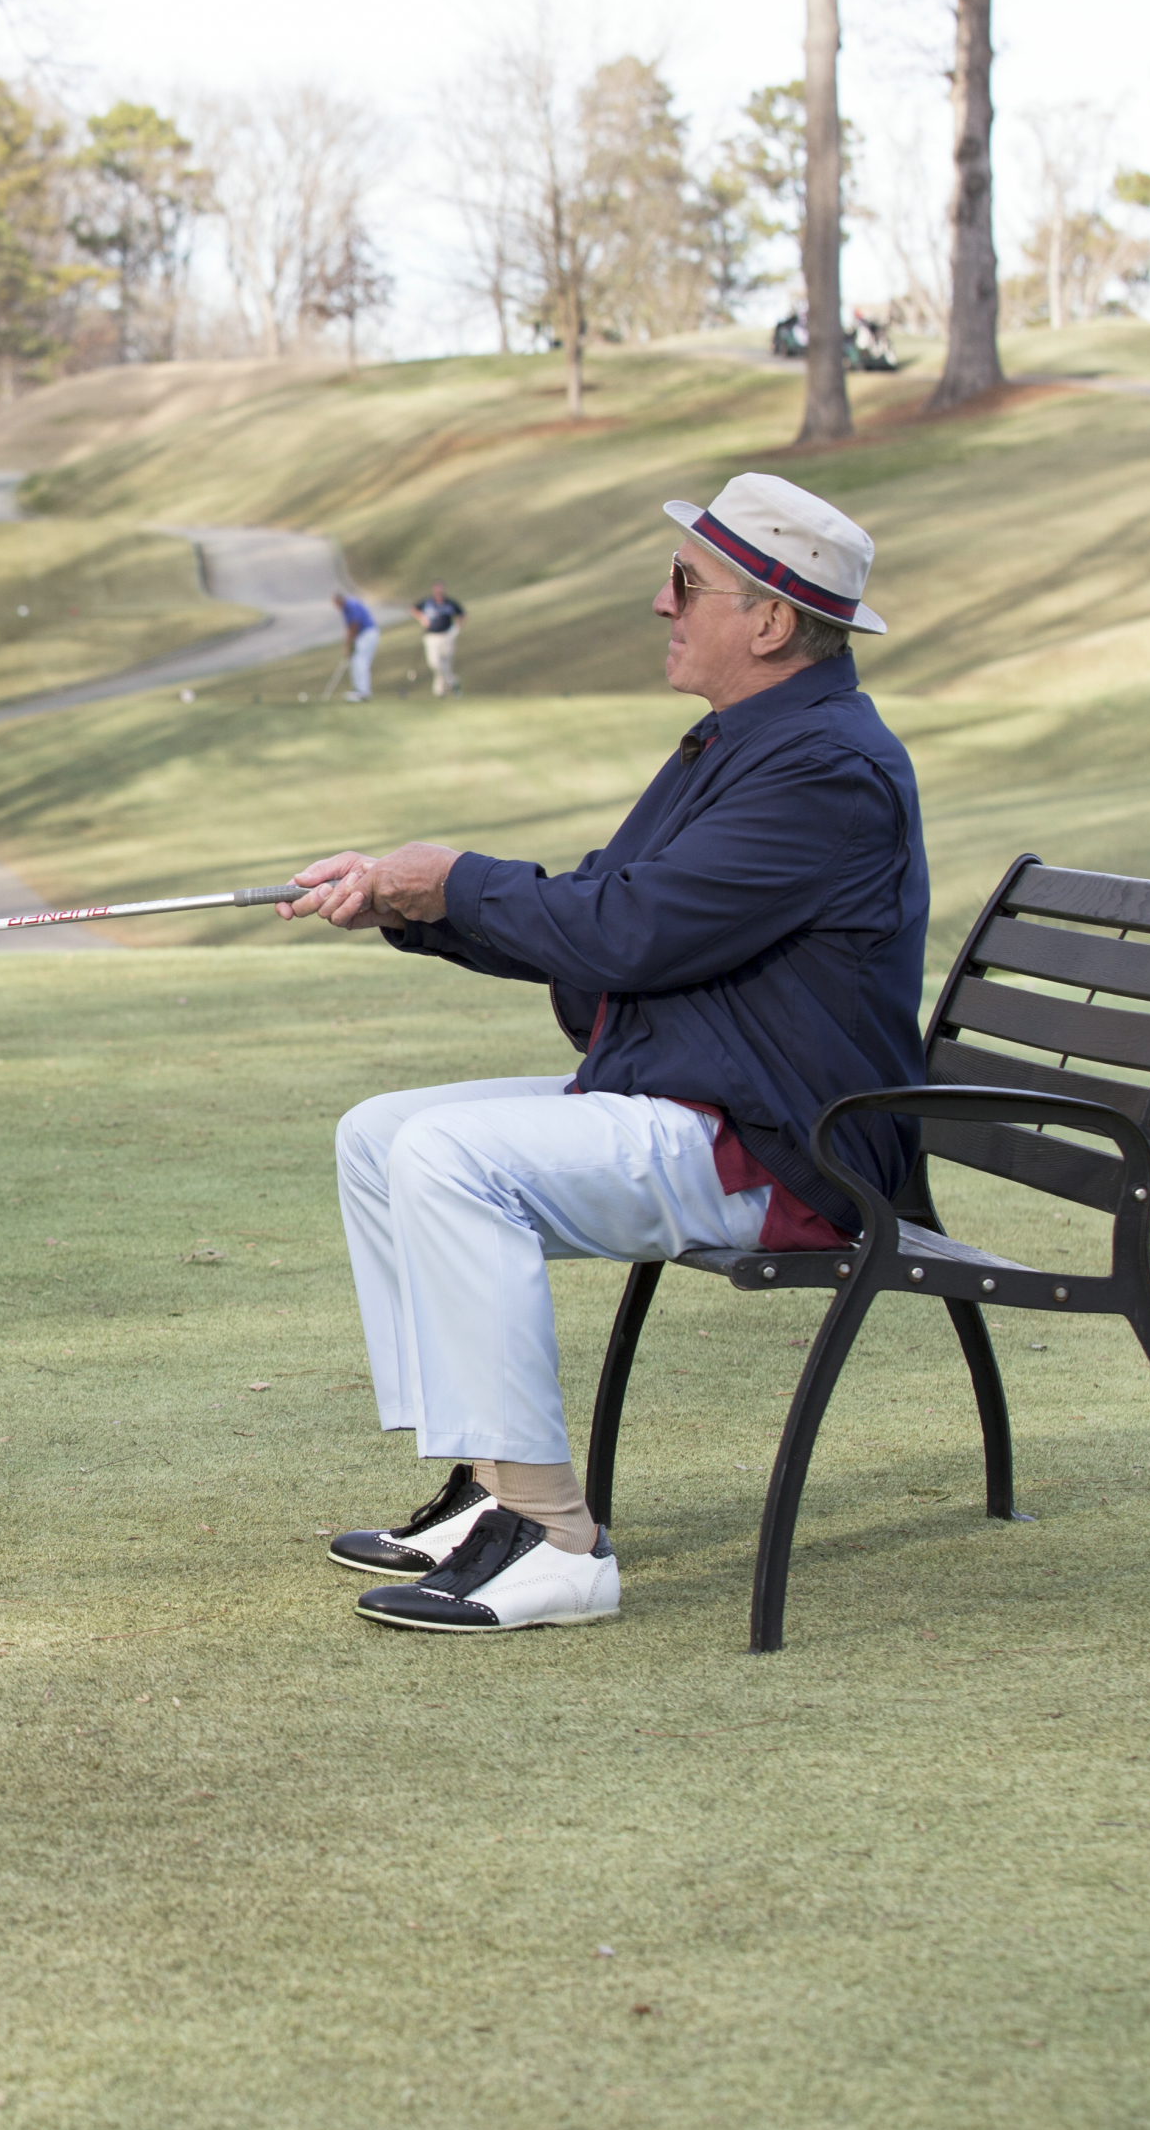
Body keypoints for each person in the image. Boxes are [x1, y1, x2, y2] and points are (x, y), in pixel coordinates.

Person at [280, 473, 924, 1634]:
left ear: (770, 621)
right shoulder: (750, 741)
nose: (660, 602)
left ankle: (552, 1537)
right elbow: (607, 915)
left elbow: (625, 931)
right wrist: (409, 905)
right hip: (711, 1101)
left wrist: (455, 881)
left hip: (783, 1151)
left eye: (685, 583)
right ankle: (486, 1490)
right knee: (379, 1134)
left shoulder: (822, 768)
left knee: (447, 1155)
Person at [413, 589, 467, 697]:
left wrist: (456, 628)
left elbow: (462, 614)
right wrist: (423, 618)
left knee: (446, 664)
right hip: (431, 637)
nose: (438, 593)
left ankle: (439, 691)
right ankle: (453, 682)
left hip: (447, 636)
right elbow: (413, 609)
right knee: (435, 663)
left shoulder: (449, 603)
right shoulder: (428, 603)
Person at [332, 589, 381, 703]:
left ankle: (362, 691)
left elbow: (354, 625)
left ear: (339, 600)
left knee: (359, 660)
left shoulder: (350, 606)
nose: (335, 605)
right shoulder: (346, 607)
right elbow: (350, 628)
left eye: (335, 602)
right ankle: (360, 690)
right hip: (365, 635)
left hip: (367, 634)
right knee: (358, 660)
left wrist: (348, 645)